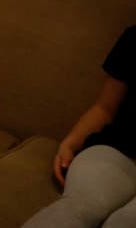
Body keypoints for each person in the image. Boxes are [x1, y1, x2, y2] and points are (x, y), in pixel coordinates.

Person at [22, 25, 136, 228]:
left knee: (126, 221)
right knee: (76, 208)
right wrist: (71, 142)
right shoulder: (134, 37)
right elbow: (105, 108)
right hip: (119, 149)